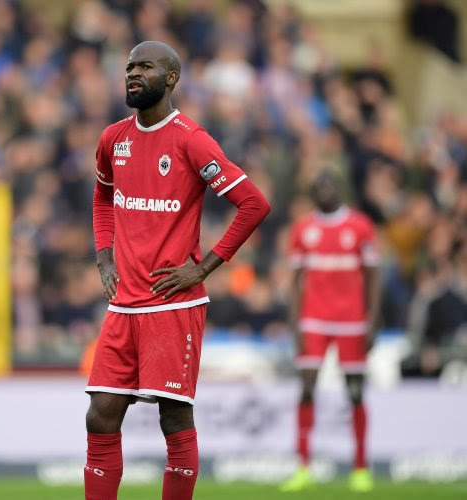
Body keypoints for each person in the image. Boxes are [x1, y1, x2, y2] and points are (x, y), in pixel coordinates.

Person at [86, 41, 271, 500]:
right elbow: (103, 197)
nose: (132, 73)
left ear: (170, 78)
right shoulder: (113, 139)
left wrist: (204, 267)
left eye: (144, 66)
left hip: (173, 303)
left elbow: (253, 204)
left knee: (173, 417)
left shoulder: (191, 138)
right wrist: (104, 255)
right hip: (124, 302)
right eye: (129, 66)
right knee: (101, 414)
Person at [281, 171, 381, 492]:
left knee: (354, 391)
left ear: (340, 189)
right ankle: (303, 466)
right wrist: (294, 323)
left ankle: (361, 467)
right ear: (312, 193)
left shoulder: (360, 226)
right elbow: (295, 282)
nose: (324, 191)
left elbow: (373, 277)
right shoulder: (304, 229)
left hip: (352, 319)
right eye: (318, 187)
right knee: (307, 387)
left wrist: (373, 320)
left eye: (329, 186)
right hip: (314, 318)